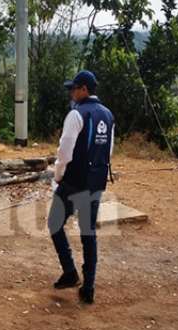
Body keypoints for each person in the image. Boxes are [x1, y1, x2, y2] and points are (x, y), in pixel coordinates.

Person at [48, 70, 115, 305]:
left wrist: (58, 175)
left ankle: (69, 272)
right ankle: (88, 287)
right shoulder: (107, 115)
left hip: (74, 181)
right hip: (95, 181)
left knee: (54, 223)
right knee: (88, 233)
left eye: (74, 88)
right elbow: (109, 150)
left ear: (84, 89)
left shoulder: (76, 115)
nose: (71, 92)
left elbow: (64, 151)